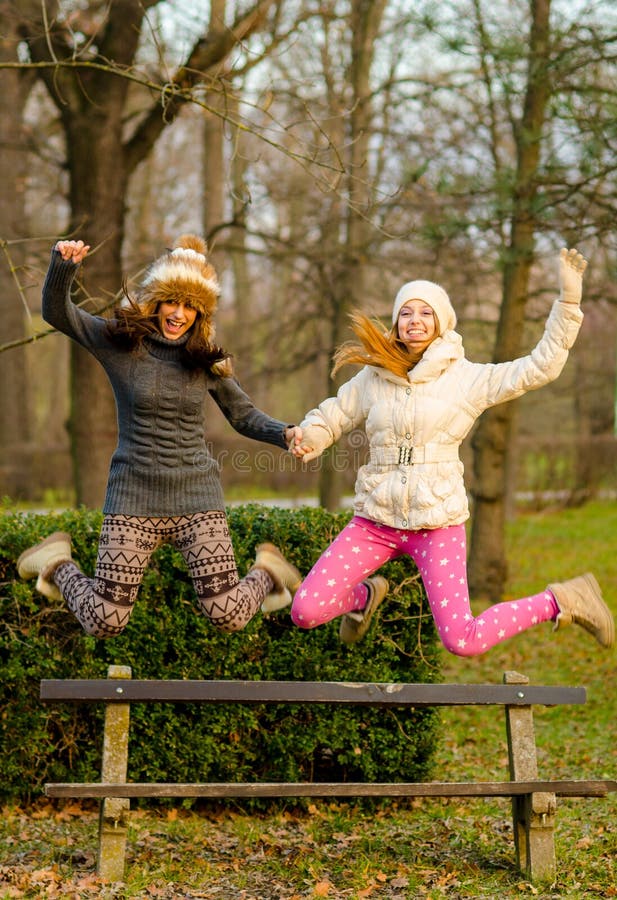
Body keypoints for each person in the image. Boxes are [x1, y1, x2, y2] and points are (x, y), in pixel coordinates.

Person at [289, 248, 614, 653]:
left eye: (426, 313)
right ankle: (366, 597)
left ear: (441, 322)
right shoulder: (374, 377)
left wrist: (567, 303)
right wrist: (309, 437)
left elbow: (540, 367)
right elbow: (334, 414)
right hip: (376, 520)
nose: (415, 321)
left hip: (437, 523)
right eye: (406, 312)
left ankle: (562, 600)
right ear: (396, 322)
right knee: (306, 609)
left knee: (464, 640)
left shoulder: (466, 379)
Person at [17, 236, 301, 637]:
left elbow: (242, 415)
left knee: (228, 614)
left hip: (196, 499)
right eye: (172, 302)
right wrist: (64, 267)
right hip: (134, 497)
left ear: (201, 313)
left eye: (190, 306)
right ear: (156, 301)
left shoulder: (206, 360)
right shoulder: (120, 342)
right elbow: (56, 312)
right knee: (104, 621)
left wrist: (285, 433)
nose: (179, 314)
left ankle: (267, 571)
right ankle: (57, 564)